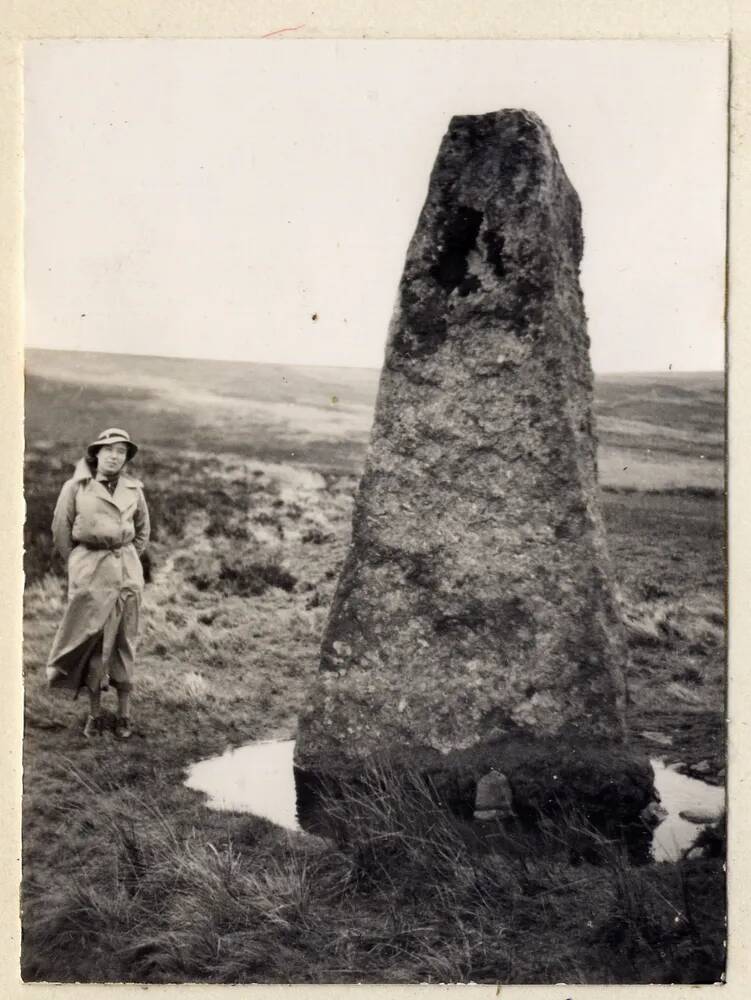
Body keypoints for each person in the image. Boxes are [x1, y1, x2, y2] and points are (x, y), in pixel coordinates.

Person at [45, 428, 151, 740]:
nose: (115, 456)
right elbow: (61, 531)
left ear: (126, 458)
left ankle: (123, 715)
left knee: (124, 642)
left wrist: (125, 556)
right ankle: (94, 714)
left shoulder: (134, 489)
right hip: (91, 574)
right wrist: (81, 563)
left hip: (127, 574)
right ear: (96, 453)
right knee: (92, 642)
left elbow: (143, 530)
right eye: (109, 450)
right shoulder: (76, 486)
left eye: (121, 451)